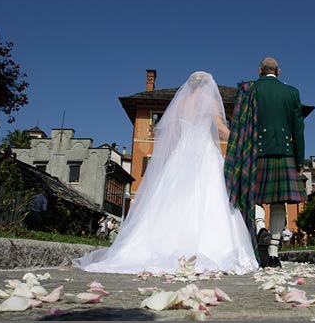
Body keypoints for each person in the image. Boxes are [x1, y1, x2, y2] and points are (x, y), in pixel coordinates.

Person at [73, 71, 258, 275]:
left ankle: (161, 245)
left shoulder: (181, 103)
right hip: (205, 153)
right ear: (208, 86)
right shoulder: (209, 102)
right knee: (210, 195)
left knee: (173, 197)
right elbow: (221, 128)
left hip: (182, 153)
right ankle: (209, 247)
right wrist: (241, 141)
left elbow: (173, 133)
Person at [225, 57, 307, 268]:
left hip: (255, 152)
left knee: (254, 198)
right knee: (280, 203)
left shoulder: (248, 89)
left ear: (260, 70)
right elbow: (298, 129)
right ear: (278, 71)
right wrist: (299, 159)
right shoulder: (292, 93)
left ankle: (260, 228)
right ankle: (273, 252)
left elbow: (239, 124)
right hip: (284, 152)